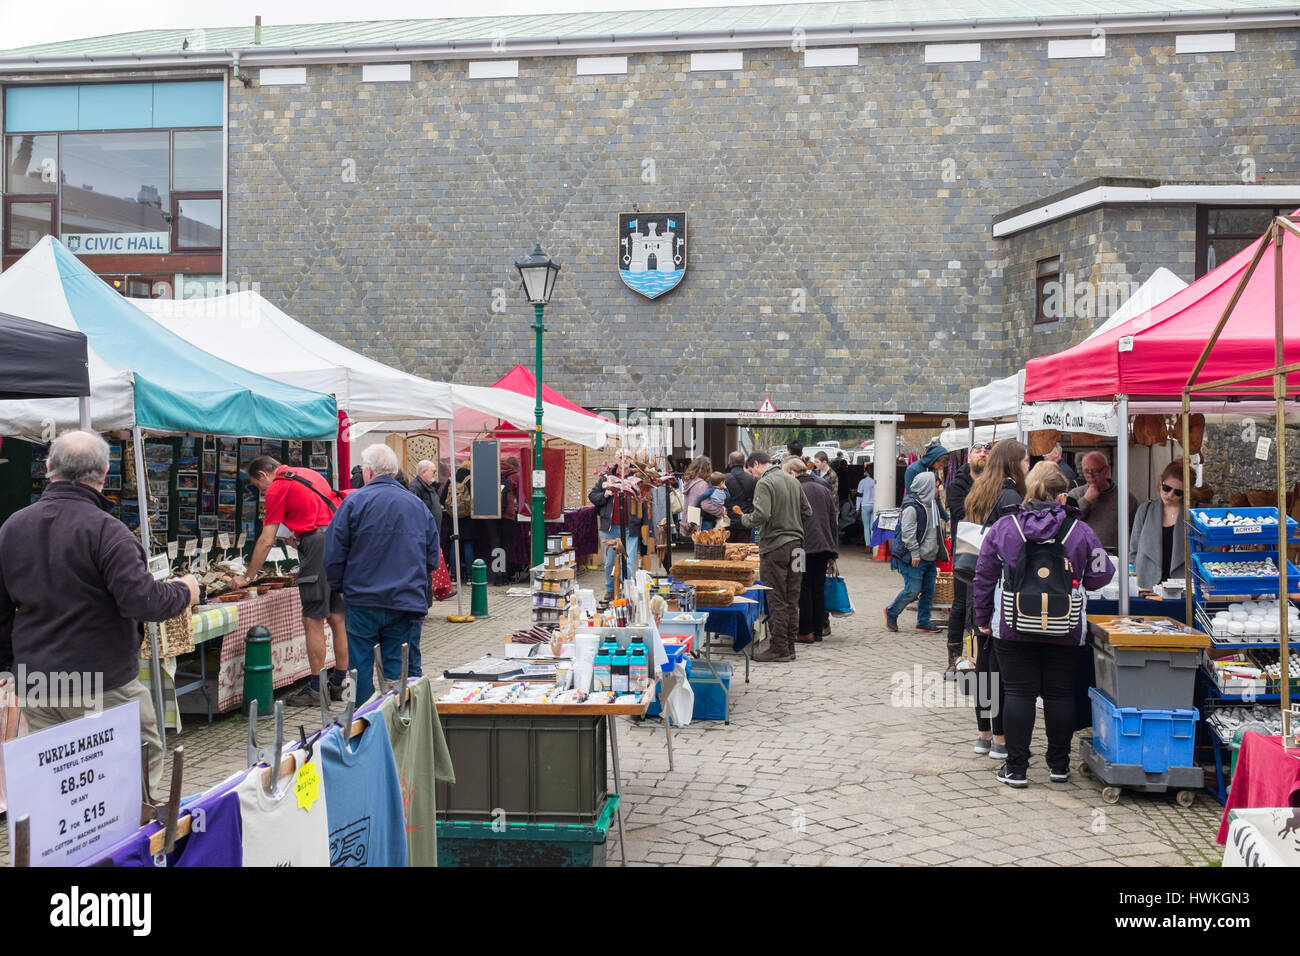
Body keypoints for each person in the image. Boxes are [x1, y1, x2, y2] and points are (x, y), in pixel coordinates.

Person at [0, 430, 200, 793]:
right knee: (132, 770)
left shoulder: (13, 527)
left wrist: (9, 665)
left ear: (48, 467)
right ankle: (121, 848)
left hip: (37, 679)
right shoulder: (109, 531)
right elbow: (143, 602)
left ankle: (72, 848)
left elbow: (1, 611)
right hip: (100, 679)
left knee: (58, 779)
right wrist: (185, 590)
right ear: (104, 472)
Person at [973, 462, 1114, 788]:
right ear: (1062, 494)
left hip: (1013, 623)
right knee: (1060, 694)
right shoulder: (1080, 531)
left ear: (1028, 489)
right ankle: (1059, 766)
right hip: (1065, 627)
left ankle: (1017, 768)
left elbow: (983, 577)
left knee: (1018, 693)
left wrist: (982, 619)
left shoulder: (1005, 528)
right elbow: (1101, 574)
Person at [325, 444, 441, 704]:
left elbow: (333, 553)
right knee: (398, 669)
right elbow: (433, 556)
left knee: (358, 667)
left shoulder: (353, 503)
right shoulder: (417, 506)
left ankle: (362, 722)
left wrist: (339, 585)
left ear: (367, 472)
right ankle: (400, 721)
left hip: (363, 598)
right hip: (404, 599)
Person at [235, 455, 349, 705]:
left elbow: (266, 540)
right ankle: (340, 682)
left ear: (264, 475)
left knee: (313, 619)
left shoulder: (277, 487)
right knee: (337, 617)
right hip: (336, 542)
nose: (261, 490)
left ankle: (317, 690)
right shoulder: (309, 474)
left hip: (316, 546)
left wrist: (247, 576)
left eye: (257, 485)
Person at [959, 439, 1029, 759]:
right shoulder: (1011, 495)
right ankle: (1000, 739)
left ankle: (983, 734)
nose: (1029, 465)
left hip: (977, 583)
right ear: (1015, 462)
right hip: (998, 585)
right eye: (1026, 460)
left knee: (984, 666)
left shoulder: (978, 490)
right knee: (998, 668)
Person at [737, 451, 811, 662]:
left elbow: (761, 515)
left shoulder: (765, 483)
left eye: (752, 471)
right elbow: (808, 512)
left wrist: (744, 519)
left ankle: (779, 648)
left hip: (776, 547)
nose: (753, 476)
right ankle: (789, 647)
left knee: (777, 597)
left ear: (757, 464)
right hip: (798, 547)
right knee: (792, 597)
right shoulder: (793, 481)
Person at [943, 441, 991, 677]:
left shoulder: (995, 483)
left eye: (986, 451)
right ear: (969, 456)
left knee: (982, 606)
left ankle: (976, 658)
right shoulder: (958, 483)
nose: (983, 454)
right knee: (961, 604)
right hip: (965, 550)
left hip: (990, 551)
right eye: (978, 450)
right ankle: (953, 659)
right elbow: (961, 513)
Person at [884, 471, 944, 634]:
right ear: (927, 487)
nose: (939, 489)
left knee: (928, 592)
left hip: (930, 557)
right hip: (914, 558)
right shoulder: (912, 506)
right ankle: (892, 611)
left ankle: (923, 622)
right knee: (913, 590)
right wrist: (915, 553)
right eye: (936, 486)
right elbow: (908, 531)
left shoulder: (932, 504)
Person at [790, 458, 838, 644]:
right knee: (818, 587)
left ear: (793, 473)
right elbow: (833, 521)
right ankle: (819, 629)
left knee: (801, 587)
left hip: (800, 547)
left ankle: (804, 630)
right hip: (824, 547)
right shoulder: (824, 489)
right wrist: (834, 550)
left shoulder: (795, 489)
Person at [589, 461, 645, 599]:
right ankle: (610, 589)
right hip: (610, 527)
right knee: (609, 561)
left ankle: (625, 588)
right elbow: (592, 496)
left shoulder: (637, 478)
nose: (623, 459)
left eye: (626, 457)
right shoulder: (606, 477)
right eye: (620, 456)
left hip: (630, 527)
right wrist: (605, 495)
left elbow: (645, 501)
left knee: (628, 561)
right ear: (616, 459)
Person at [1130, 459, 1187, 590]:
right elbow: (1133, 551)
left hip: (1181, 588)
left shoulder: (1192, 515)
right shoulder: (1145, 510)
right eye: (1166, 488)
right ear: (1160, 482)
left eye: (1178, 492)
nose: (1170, 494)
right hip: (1146, 587)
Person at [1067, 451, 1139, 552]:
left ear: (1106, 470)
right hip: (1084, 557)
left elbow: (1136, 530)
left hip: (1116, 558)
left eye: (1095, 471)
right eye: (1086, 471)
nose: (1090, 476)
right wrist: (1086, 500)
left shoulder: (1124, 497)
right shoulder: (1075, 494)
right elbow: (1068, 523)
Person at [483, 456, 520, 586]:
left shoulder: (490, 472)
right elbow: (520, 497)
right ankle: (504, 575)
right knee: (506, 544)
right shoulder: (515, 476)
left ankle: (496, 575)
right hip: (507, 514)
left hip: (491, 512)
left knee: (495, 543)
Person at [679, 455, 723, 534]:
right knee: (705, 545)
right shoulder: (703, 485)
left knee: (696, 545)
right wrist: (721, 511)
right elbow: (706, 505)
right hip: (702, 522)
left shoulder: (689, 482)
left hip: (691, 520)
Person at [724, 451, 757, 544]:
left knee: (728, 551)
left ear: (729, 463)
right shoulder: (752, 479)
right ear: (744, 463)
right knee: (744, 550)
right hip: (745, 520)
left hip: (728, 520)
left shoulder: (724, 479)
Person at [409, 459, 444, 531]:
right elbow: (413, 513)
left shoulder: (432, 486)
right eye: (433, 471)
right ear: (423, 472)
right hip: (425, 533)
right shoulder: (415, 487)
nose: (435, 474)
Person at [855, 463, 876, 553]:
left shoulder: (863, 482)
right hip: (874, 505)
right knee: (872, 526)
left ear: (867, 471)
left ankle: (868, 546)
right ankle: (874, 545)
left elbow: (859, 495)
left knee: (866, 526)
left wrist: (857, 507)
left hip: (865, 505)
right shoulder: (875, 481)